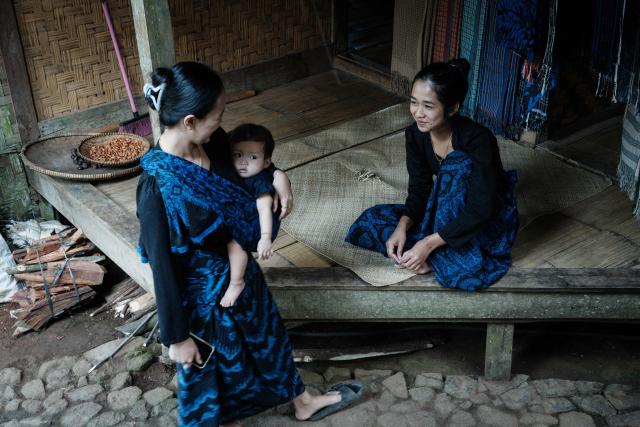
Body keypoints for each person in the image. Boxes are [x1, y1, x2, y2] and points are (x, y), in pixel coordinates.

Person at [136, 62, 361, 426]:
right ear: (190, 121)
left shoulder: (217, 142)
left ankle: (302, 401)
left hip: (243, 273)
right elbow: (161, 267)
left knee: (268, 338)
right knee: (207, 371)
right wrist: (176, 337)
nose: (221, 121)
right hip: (203, 299)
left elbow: (253, 169)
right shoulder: (157, 185)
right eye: (216, 115)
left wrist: (278, 177)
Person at [345, 58, 519, 291]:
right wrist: (402, 227)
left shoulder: (479, 140)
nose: (418, 113)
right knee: (371, 222)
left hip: (482, 218)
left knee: (456, 165)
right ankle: (429, 248)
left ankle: (434, 252)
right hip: (444, 208)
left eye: (428, 106)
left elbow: (481, 208)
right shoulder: (415, 135)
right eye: (414, 102)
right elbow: (420, 188)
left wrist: (427, 244)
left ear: (452, 107)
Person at [219, 124, 279, 308]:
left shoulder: (260, 181)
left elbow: (264, 209)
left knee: (234, 243)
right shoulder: (236, 173)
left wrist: (265, 238)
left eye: (253, 157)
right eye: (238, 155)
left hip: (259, 225)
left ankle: (237, 282)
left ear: (266, 162)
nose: (244, 162)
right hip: (244, 216)